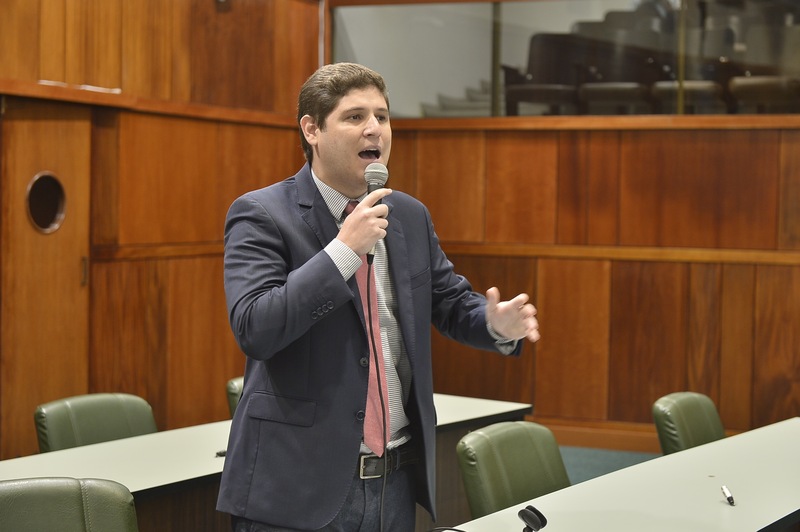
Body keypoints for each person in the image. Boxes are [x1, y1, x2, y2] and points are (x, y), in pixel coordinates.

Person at [217, 62, 540, 532]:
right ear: (311, 129)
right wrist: (343, 252)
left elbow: (451, 302)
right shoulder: (262, 213)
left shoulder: (407, 215)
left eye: (383, 117)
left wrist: (495, 324)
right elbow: (256, 328)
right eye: (355, 117)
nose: (375, 129)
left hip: (394, 480)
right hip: (297, 486)